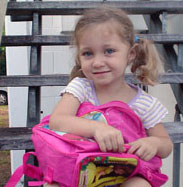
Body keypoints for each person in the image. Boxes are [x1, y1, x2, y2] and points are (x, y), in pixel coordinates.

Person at [46, 6, 173, 187]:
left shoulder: (144, 103)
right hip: (79, 169)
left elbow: (166, 144)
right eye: (88, 53)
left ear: (130, 54)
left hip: (125, 173)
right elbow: (57, 121)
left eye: (109, 51)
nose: (97, 62)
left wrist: (153, 143)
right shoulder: (81, 88)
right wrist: (96, 128)